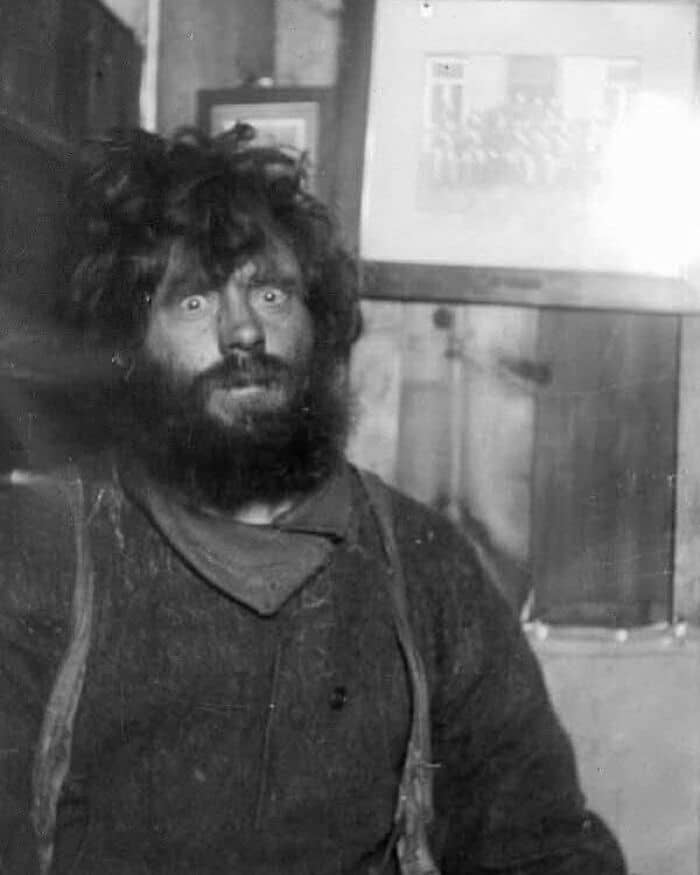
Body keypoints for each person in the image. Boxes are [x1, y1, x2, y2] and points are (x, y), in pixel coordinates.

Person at [0, 127, 626, 874]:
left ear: (317, 324)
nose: (243, 331)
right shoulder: (40, 552)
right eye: (193, 300)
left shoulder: (423, 566)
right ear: (131, 342)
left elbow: (543, 843)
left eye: (271, 293)